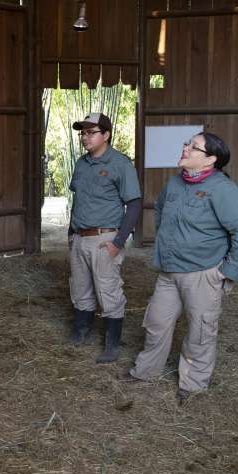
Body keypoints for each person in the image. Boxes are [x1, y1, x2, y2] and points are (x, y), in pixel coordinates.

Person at [120, 132, 238, 404]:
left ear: (210, 160)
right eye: (187, 143)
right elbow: (160, 211)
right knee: (156, 322)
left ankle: (192, 385)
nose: (185, 148)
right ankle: (146, 371)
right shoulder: (175, 184)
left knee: (200, 331)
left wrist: (228, 271)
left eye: (193, 147)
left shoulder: (222, 190)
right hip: (169, 272)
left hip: (203, 274)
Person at [67, 113, 142, 363]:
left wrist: (118, 243)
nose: (85, 137)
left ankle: (112, 346)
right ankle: (81, 333)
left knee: (108, 290)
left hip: (104, 238)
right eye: (83, 133)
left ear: (106, 135)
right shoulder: (81, 164)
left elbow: (134, 204)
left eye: (91, 132)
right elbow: (78, 201)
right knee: (80, 288)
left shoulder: (120, 164)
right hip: (79, 237)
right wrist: (71, 234)